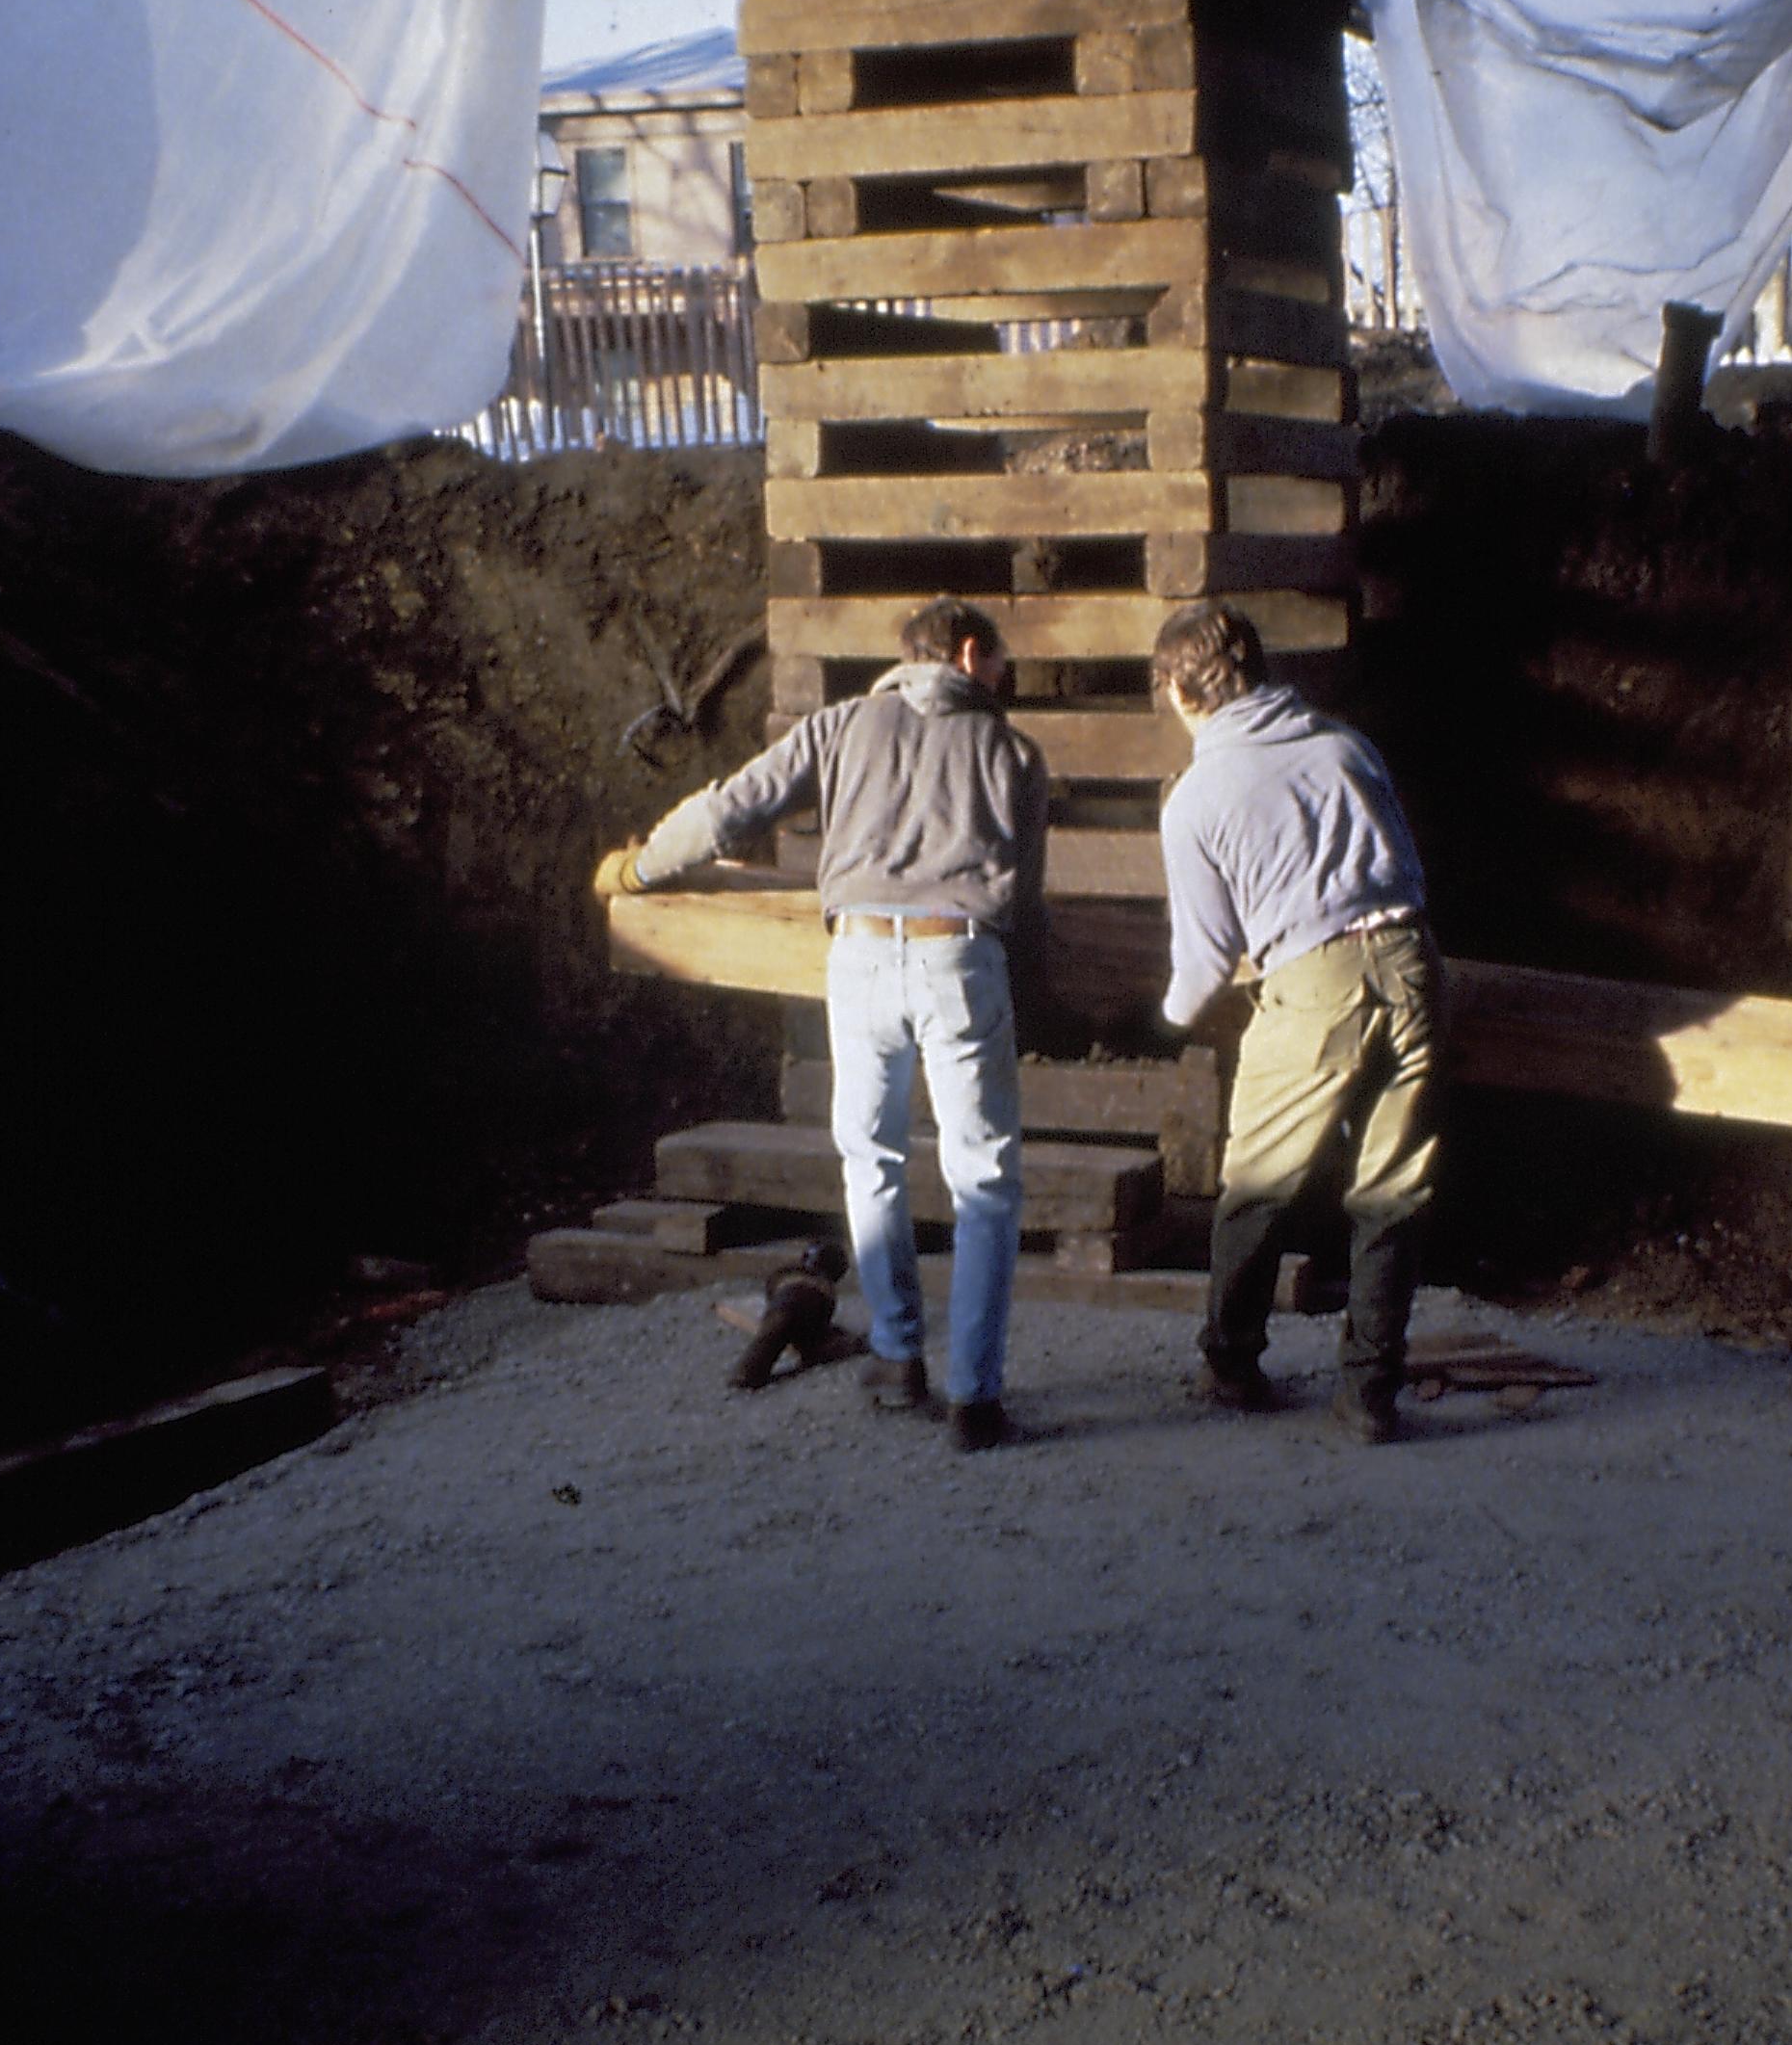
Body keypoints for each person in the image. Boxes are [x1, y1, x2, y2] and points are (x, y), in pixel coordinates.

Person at [596, 597, 1045, 1452]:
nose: (1004, 678)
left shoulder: (841, 726)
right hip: (963, 956)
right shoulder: (1012, 749)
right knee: (985, 1183)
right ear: (963, 653)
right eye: (998, 663)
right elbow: (1028, 899)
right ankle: (974, 1399)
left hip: (863, 958)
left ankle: (897, 1352)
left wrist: (639, 867)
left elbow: (733, 808)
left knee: (872, 1160)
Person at [1150, 601, 1441, 1446]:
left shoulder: (1198, 797)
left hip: (1315, 985)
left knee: (1257, 1185)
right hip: (1413, 961)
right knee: (1394, 1188)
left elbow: (1206, 962)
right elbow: (1409, 871)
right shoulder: (1345, 746)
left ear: (1179, 688)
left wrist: (1163, 1020)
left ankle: (1231, 1363)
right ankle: (1370, 1399)